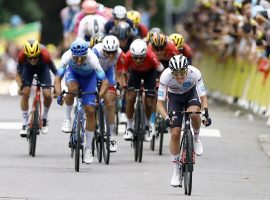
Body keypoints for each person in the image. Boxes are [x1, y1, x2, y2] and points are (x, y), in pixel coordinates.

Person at [156, 54, 212, 187]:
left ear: (187, 70)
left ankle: (196, 138)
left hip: (190, 94)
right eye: (176, 74)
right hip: (174, 98)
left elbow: (203, 97)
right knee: (175, 133)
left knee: (193, 114)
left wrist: (206, 113)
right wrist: (166, 118)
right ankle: (176, 172)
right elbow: (159, 103)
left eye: (182, 73)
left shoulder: (194, 73)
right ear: (171, 72)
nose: (180, 77)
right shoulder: (165, 76)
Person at [54, 38, 109, 164]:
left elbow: (105, 82)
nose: (79, 61)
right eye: (76, 58)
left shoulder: (92, 58)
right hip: (73, 75)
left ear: (86, 55)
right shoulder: (66, 56)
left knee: (90, 110)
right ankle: (67, 119)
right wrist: (58, 93)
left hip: (89, 78)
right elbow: (58, 78)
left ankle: (88, 148)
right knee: (72, 89)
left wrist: (99, 96)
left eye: (82, 58)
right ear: (72, 54)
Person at [122, 39, 164, 142]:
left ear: (145, 54)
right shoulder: (127, 56)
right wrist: (123, 84)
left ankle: (146, 126)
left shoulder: (151, 55)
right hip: (135, 73)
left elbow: (161, 70)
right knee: (130, 97)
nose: (138, 61)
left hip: (150, 73)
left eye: (141, 58)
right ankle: (129, 127)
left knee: (149, 102)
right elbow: (123, 72)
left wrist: (159, 83)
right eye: (135, 58)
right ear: (132, 55)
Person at [92, 35, 126, 152]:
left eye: (113, 52)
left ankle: (110, 136)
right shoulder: (95, 51)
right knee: (92, 100)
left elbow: (120, 73)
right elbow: (90, 69)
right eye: (108, 52)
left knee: (110, 102)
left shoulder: (121, 54)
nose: (111, 55)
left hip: (108, 73)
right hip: (94, 73)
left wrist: (119, 87)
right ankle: (92, 123)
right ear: (103, 49)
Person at [16, 39, 57, 137]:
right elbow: (18, 74)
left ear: (39, 53)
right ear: (26, 55)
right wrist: (20, 86)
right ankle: (25, 123)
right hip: (28, 69)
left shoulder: (45, 55)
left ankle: (44, 118)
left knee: (47, 94)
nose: (33, 60)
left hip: (43, 69)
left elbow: (57, 73)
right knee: (25, 92)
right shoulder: (22, 55)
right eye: (30, 58)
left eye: (35, 57)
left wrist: (57, 86)